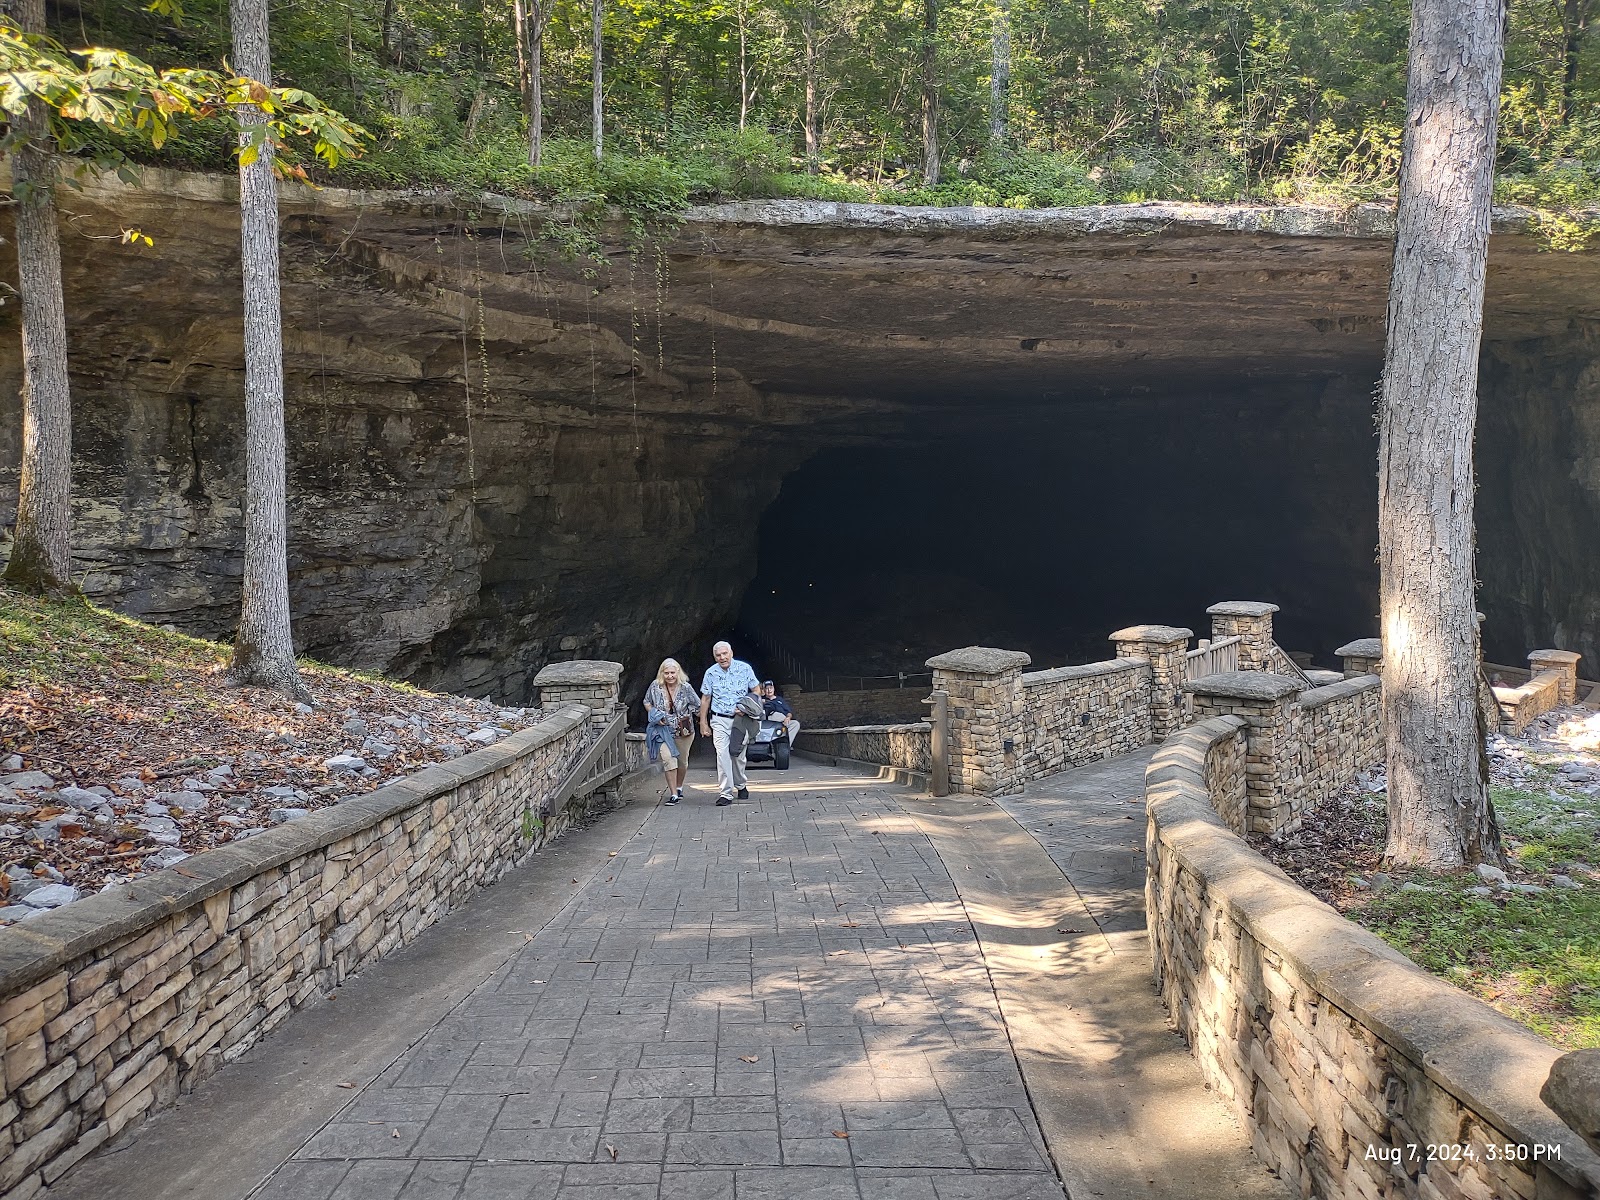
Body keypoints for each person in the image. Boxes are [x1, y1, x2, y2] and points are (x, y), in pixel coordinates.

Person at [699, 640, 760, 806]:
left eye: (725, 654)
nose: (722, 657)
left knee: (738, 756)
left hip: (741, 720)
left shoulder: (745, 669)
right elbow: (705, 698)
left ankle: (741, 784)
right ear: (714, 657)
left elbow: (756, 690)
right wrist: (703, 722)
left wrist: (748, 706)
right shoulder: (710, 673)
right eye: (718, 655)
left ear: (731, 653)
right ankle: (725, 793)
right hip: (719, 719)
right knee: (722, 754)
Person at [644, 658, 698, 805]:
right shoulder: (655, 686)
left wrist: (690, 716)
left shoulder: (686, 688)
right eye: (666, 673)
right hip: (662, 730)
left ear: (678, 672)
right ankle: (673, 794)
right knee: (669, 760)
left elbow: (697, 705)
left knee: (682, 762)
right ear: (662, 673)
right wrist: (654, 714)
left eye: (672, 673)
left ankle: (679, 786)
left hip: (683, 731)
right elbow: (647, 702)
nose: (669, 676)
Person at [762, 681, 800, 751]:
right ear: (764, 690)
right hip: (770, 721)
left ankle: (785, 746)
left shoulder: (780, 700)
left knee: (795, 724)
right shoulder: (761, 700)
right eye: (767, 688)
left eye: (771, 688)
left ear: (774, 689)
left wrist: (788, 718)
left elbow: (789, 712)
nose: (769, 690)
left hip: (782, 722)